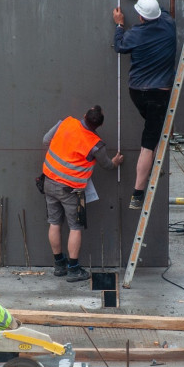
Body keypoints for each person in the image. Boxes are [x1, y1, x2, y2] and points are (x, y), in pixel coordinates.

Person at [42, 105, 124, 282]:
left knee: (54, 223)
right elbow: (107, 165)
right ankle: (73, 269)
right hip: (71, 191)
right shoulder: (95, 144)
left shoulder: (66, 123)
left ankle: (59, 265)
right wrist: (116, 162)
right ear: (99, 125)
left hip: (48, 182)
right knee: (75, 227)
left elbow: (46, 140)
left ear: (85, 115)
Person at [112, 0, 177, 210]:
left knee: (151, 131)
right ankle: (138, 193)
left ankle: (142, 180)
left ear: (139, 16)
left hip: (137, 91)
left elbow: (119, 47)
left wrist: (120, 24)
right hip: (159, 93)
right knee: (148, 144)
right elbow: (159, 11)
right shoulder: (169, 24)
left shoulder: (133, 34)